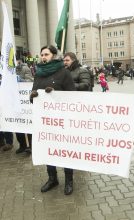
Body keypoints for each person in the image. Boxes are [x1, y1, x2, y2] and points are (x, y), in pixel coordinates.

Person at [30, 45, 75, 195]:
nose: (43, 57)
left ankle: (69, 180)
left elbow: (73, 97)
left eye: (46, 54)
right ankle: (52, 178)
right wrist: (33, 96)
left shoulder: (64, 73)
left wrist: (56, 94)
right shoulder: (39, 73)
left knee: (65, 151)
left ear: (54, 56)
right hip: (45, 120)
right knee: (48, 150)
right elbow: (34, 94)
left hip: (62, 121)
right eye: (42, 54)